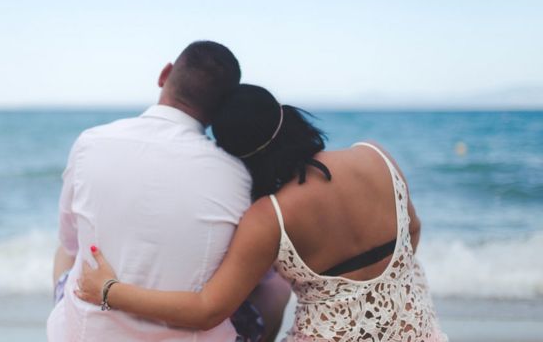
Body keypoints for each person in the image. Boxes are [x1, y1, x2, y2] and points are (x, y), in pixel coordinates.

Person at [76, 84, 448, 341]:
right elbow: (412, 231)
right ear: (286, 115)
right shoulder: (375, 156)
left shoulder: (270, 217)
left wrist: (108, 290)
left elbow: (208, 309)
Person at [47, 43, 290, 342]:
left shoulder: (89, 143)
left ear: (164, 75)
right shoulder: (237, 176)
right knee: (274, 283)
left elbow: (70, 243)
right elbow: (252, 276)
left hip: (86, 332)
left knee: (68, 250)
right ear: (221, 108)